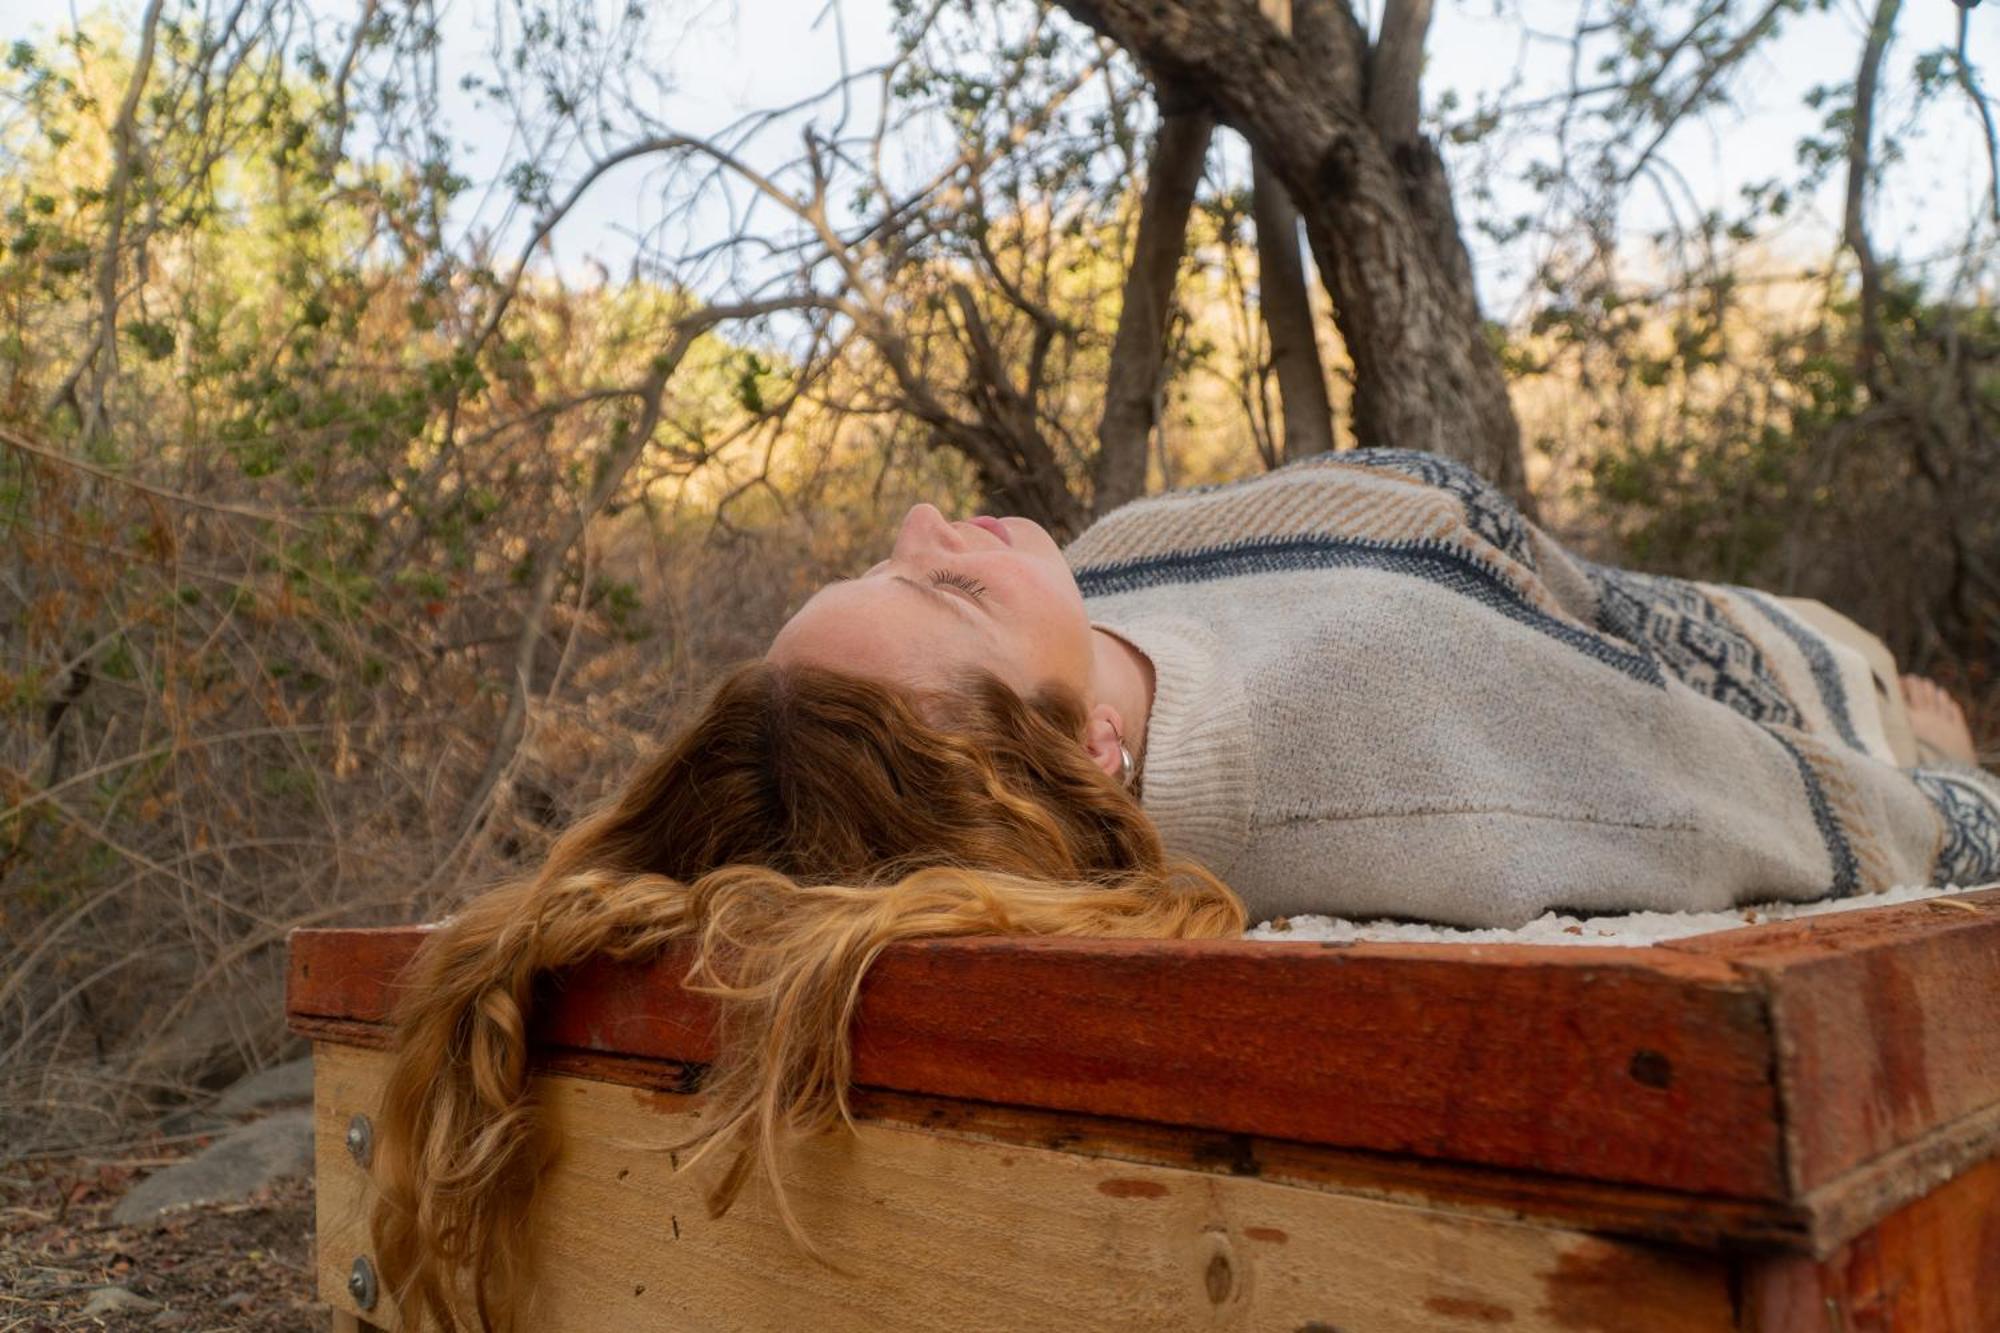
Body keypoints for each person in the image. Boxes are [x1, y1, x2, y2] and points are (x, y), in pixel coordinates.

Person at [370, 448, 2000, 1331]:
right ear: (1073, 755)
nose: (936, 515)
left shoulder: (1093, 609)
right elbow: (1795, 812)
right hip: (1812, 680)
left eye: (898, 559)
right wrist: (1946, 775)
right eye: (942, 584)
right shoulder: (1410, 764)